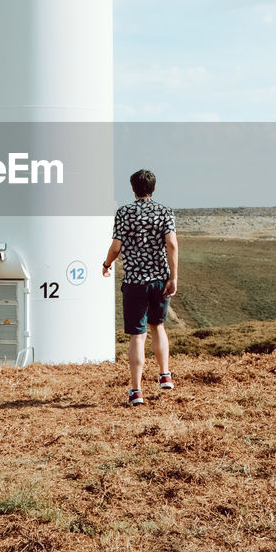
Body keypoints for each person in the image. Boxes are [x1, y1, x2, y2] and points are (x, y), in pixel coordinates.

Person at [102, 168, 178, 406]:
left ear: (133, 188)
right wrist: (173, 277)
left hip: (135, 281)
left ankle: (136, 391)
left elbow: (116, 246)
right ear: (153, 188)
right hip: (159, 280)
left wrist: (106, 264)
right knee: (158, 326)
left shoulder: (124, 213)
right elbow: (172, 245)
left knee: (137, 335)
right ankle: (164, 374)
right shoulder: (164, 212)